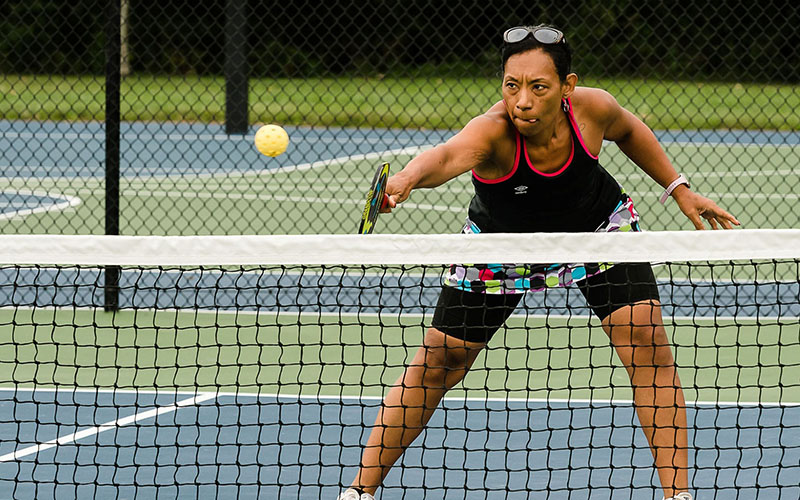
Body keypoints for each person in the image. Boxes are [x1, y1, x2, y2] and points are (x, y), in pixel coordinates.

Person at [338, 24, 739, 500]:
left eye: (538, 87)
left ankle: (680, 496)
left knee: (647, 341)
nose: (522, 101)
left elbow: (630, 129)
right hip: (501, 248)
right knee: (439, 360)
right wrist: (403, 179)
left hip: (596, 232)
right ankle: (359, 492)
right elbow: (444, 157)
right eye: (512, 86)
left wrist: (679, 189)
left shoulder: (592, 109)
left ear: (567, 87)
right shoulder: (493, 132)